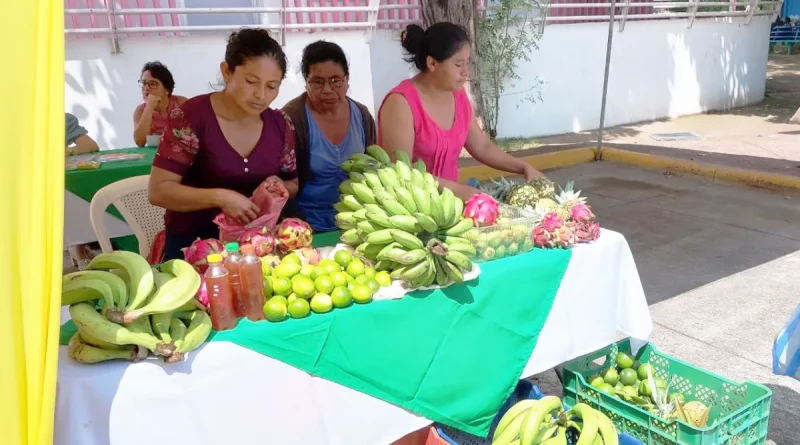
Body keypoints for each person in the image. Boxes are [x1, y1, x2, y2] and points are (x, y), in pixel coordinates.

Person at [148, 28, 299, 261]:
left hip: (257, 251)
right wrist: (221, 197)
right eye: (251, 81)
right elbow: (158, 191)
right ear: (227, 72)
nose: (261, 95)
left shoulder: (281, 125)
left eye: (272, 86)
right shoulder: (191, 118)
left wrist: (280, 186)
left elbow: (292, 182)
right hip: (193, 250)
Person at [378, 22, 544, 200]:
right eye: (458, 65)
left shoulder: (458, 95)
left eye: (467, 63)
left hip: (449, 207)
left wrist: (522, 167)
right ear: (432, 63)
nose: (466, 73)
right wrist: (456, 189)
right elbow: (401, 170)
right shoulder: (400, 103)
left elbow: (482, 147)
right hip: (407, 210)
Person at [282, 40, 377, 232]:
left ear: (347, 79)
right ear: (306, 81)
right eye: (317, 82)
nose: (327, 90)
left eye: (335, 80)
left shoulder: (362, 115)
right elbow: (283, 182)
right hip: (304, 226)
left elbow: (374, 168)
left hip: (357, 222)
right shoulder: (292, 118)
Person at [133, 61, 188, 147]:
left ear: (167, 89)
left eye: (153, 84)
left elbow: (197, 134)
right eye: (144, 83)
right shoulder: (140, 110)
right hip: (155, 156)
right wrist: (149, 108)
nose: (146, 88)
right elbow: (140, 142)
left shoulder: (182, 103)